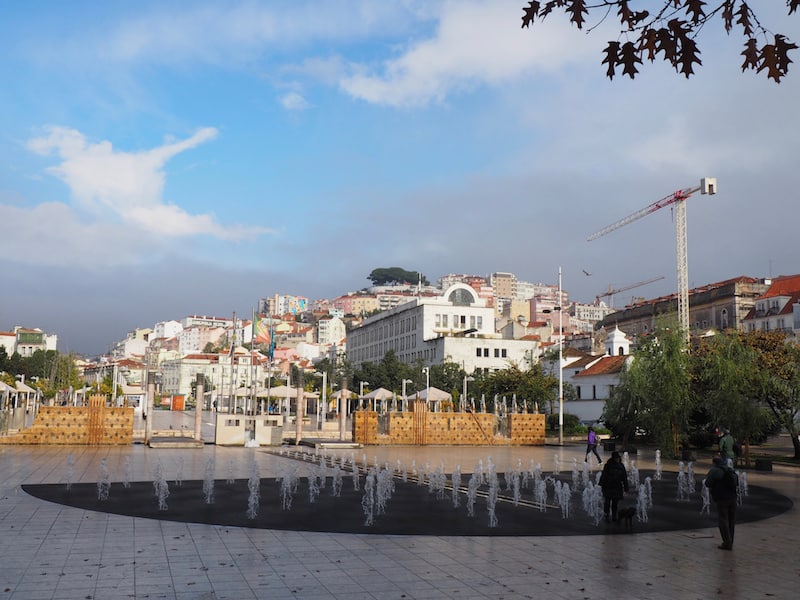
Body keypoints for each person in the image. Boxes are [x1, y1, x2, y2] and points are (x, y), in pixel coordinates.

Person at [704, 455, 738, 550]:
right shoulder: (730, 470)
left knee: (723, 520)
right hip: (733, 498)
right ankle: (730, 540)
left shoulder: (714, 471)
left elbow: (707, 483)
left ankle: (727, 542)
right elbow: (736, 483)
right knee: (731, 520)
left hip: (722, 499)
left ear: (714, 462)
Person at [599, 451, 628, 522]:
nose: (617, 459)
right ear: (613, 458)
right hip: (609, 486)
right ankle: (607, 514)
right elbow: (604, 475)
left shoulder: (621, 466)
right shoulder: (608, 465)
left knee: (615, 503)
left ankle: (614, 516)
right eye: (616, 458)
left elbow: (624, 477)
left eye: (618, 458)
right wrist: (601, 484)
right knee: (607, 502)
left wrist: (626, 486)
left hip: (617, 486)